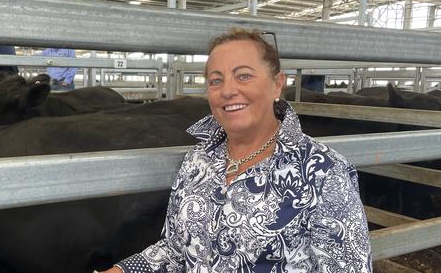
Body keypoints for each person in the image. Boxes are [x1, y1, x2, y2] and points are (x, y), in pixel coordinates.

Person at [99, 28, 371, 273]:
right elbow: (175, 249)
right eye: (216, 80)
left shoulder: (323, 171)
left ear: (278, 83)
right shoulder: (198, 160)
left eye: (243, 76)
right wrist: (122, 271)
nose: (227, 90)